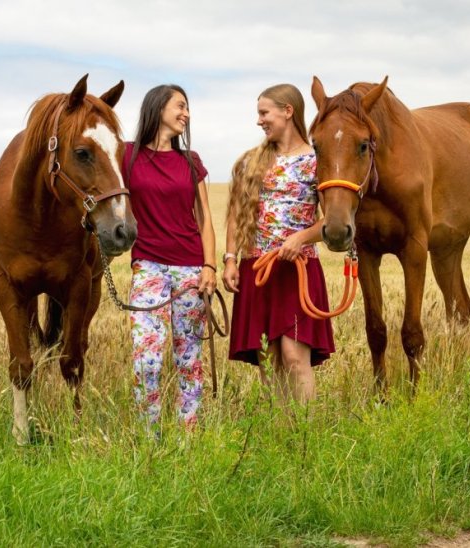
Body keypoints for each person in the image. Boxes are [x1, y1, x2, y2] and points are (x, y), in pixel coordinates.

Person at [222, 83, 335, 403]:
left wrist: (301, 238)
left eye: (264, 112)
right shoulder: (251, 161)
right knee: (268, 360)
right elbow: (235, 212)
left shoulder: (316, 161)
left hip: (298, 271)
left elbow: (332, 220)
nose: (259, 120)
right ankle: (278, 434)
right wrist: (230, 259)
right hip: (256, 267)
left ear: (288, 111)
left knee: (295, 357)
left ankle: (303, 438)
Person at [123, 84, 217, 434]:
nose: (186, 114)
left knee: (189, 358)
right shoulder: (126, 156)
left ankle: (188, 440)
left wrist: (209, 266)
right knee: (146, 358)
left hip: (191, 266)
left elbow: (205, 217)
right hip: (148, 265)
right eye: (180, 106)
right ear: (158, 106)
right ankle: (150, 439)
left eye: (188, 108)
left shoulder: (191, 162)